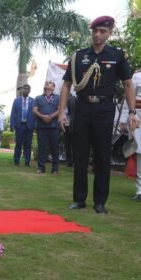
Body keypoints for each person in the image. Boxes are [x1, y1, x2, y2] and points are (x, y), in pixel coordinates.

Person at [59, 16, 137, 214]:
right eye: (95, 31)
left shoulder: (117, 55)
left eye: (102, 31)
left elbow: (128, 84)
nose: (97, 34)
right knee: (80, 156)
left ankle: (100, 202)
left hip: (104, 110)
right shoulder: (78, 56)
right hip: (83, 108)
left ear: (109, 33)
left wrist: (133, 113)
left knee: (102, 156)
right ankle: (79, 199)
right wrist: (61, 112)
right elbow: (67, 85)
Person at [120, 70, 141, 201]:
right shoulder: (137, 76)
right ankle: (140, 190)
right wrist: (123, 119)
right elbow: (129, 98)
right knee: (140, 153)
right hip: (138, 118)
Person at [33, 81, 60, 174]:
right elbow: (34, 110)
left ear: (53, 87)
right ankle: (41, 168)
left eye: (50, 83)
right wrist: (43, 116)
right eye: (46, 83)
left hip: (54, 127)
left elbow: (60, 109)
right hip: (41, 127)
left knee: (55, 148)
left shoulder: (57, 97)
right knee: (41, 148)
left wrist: (51, 117)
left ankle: (55, 169)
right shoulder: (38, 98)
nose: (47, 84)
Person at [10, 84, 35, 166]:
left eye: (28, 89)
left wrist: (35, 125)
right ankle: (16, 160)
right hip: (19, 125)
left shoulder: (33, 101)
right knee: (18, 144)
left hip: (29, 126)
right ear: (22, 90)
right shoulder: (16, 100)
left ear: (30, 91)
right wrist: (12, 124)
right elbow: (13, 113)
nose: (26, 90)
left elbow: (35, 114)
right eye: (25, 88)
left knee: (28, 144)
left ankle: (27, 161)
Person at [64, 94, 76, 167]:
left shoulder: (73, 100)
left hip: (72, 125)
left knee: (74, 144)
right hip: (65, 126)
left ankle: (74, 161)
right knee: (67, 144)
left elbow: (71, 113)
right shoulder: (61, 102)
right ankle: (69, 161)